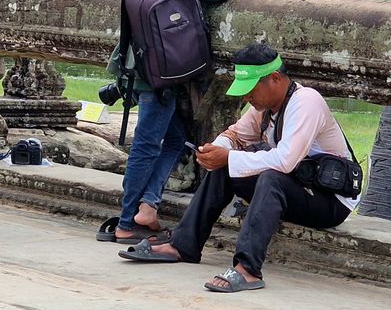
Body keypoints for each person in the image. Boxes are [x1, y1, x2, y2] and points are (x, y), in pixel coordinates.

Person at [117, 43, 359, 293]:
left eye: (251, 89)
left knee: (268, 176)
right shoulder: (264, 108)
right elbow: (234, 135)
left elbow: (286, 161)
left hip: (330, 201)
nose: (246, 98)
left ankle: (248, 269)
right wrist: (214, 150)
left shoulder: (306, 102)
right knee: (226, 167)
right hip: (296, 189)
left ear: (274, 79)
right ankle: (183, 245)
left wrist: (228, 157)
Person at [103, 0, 243, 243]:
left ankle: (146, 207)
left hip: (137, 61)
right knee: (147, 144)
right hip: (160, 71)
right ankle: (127, 221)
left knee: (176, 136)